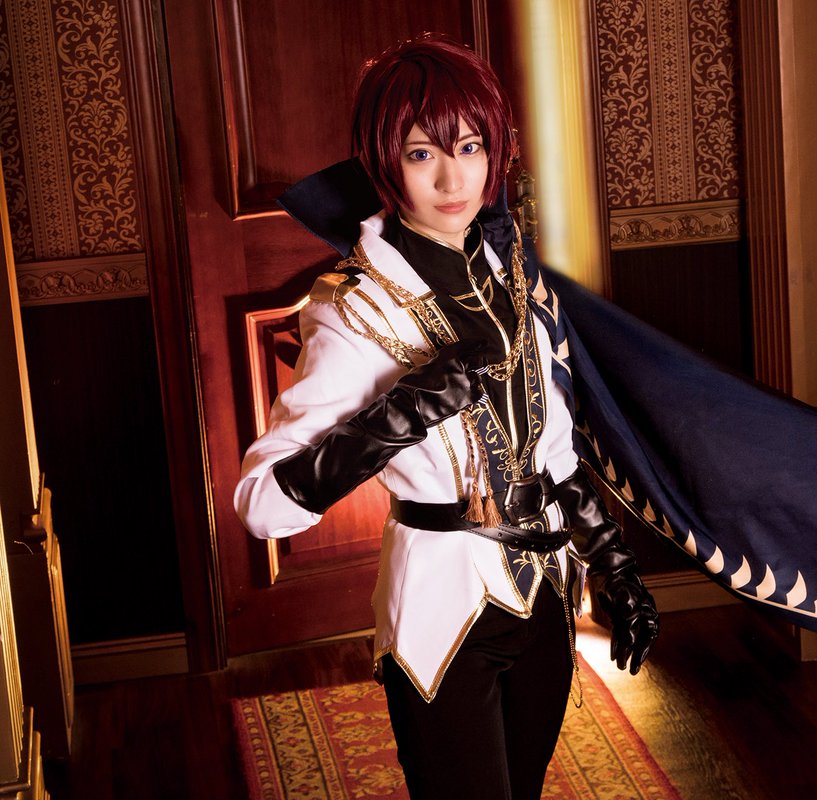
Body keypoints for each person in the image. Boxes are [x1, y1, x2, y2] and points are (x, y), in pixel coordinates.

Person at [234, 36, 658, 799]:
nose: (453, 177)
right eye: (422, 153)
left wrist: (611, 561)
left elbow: (554, 452)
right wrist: (405, 408)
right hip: (441, 609)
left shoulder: (510, 270)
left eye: (469, 147)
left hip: (545, 598)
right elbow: (263, 505)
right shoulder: (351, 309)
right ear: (385, 162)